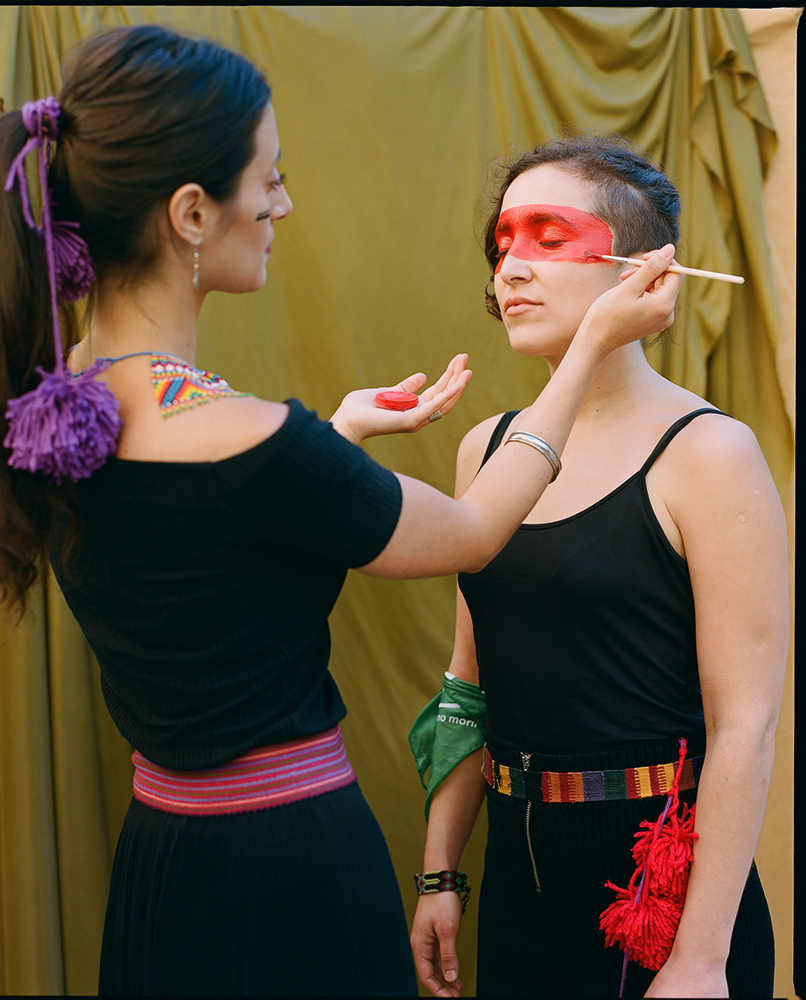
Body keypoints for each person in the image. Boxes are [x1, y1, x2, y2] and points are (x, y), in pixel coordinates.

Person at [0, 26, 683, 997]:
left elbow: (207, 536)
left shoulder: (63, 406)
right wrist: (587, 351)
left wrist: (339, 435)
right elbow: (473, 534)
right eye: (268, 179)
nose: (281, 204)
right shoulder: (252, 440)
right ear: (191, 213)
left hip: (164, 858)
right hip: (287, 864)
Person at [409, 137, 788, 999]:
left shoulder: (711, 453)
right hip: (516, 878)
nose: (512, 267)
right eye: (502, 243)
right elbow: (467, 688)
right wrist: (440, 871)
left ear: (642, 272)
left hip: (659, 891)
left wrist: (701, 958)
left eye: (549, 239)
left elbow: (746, 724)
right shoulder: (487, 451)